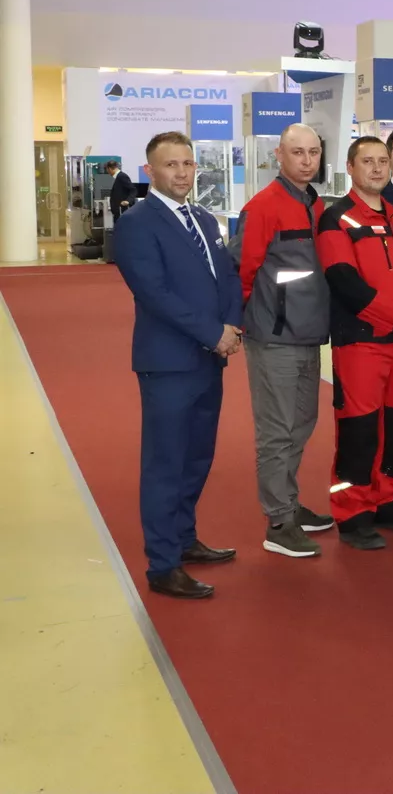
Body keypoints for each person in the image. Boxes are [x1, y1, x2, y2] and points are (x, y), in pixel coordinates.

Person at [113, 132, 243, 599]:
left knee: (197, 457)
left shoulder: (204, 219)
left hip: (209, 360)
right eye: (172, 165)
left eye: (188, 163)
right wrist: (213, 333)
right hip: (168, 363)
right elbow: (155, 293)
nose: (183, 172)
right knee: (166, 463)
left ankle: (185, 539)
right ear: (150, 171)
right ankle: (163, 564)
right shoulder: (137, 224)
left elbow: (227, 276)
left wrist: (232, 324)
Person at [316, 136, 393, 550]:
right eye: (368, 161)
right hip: (361, 346)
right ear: (350, 167)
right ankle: (352, 512)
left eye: (383, 160)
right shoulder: (336, 219)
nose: (378, 168)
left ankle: (386, 500)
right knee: (359, 431)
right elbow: (345, 283)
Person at [233, 122, 332, 559]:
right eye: (298, 153)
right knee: (276, 431)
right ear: (279, 155)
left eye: (313, 152)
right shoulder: (263, 207)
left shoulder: (315, 204)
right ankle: (278, 522)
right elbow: (242, 271)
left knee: (302, 424)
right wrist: (239, 323)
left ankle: (289, 504)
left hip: (309, 335)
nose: (307, 161)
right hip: (274, 338)